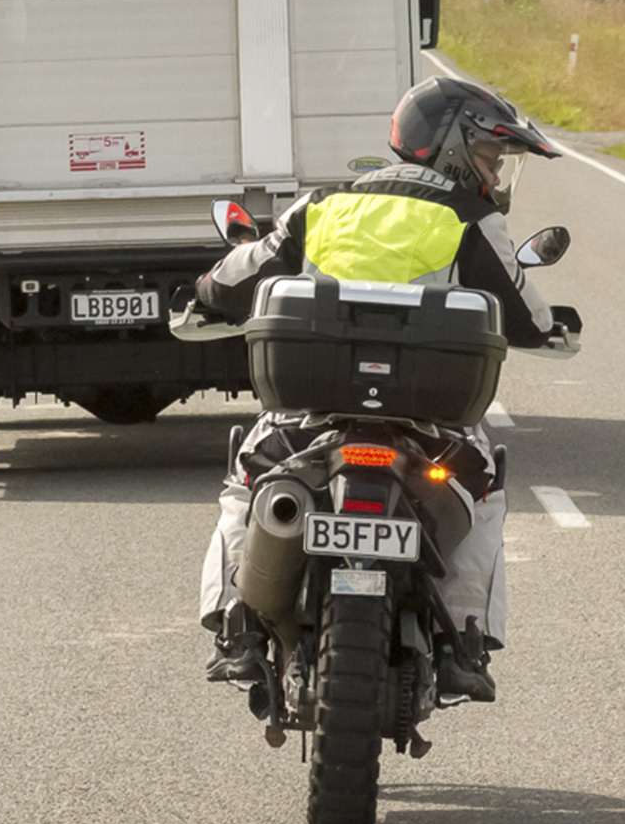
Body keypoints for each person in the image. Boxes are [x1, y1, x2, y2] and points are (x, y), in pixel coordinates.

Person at [193, 77, 564, 703]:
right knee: (486, 491)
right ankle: (462, 642)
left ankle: (237, 630)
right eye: (488, 156)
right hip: (430, 424)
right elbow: (529, 317)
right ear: (449, 145)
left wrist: (203, 293)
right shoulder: (472, 218)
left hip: (311, 413)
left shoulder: (322, 203)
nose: (495, 173)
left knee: (247, 481)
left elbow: (240, 273)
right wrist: (554, 327)